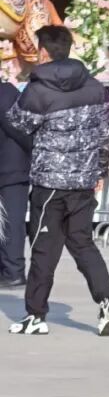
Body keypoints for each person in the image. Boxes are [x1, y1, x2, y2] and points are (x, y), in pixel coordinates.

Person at [5, 25, 109, 337]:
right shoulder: (95, 87)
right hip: (83, 181)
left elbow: (19, 121)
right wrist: (99, 171)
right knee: (82, 242)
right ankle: (107, 298)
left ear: (43, 52)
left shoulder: (39, 88)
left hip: (50, 183)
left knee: (44, 248)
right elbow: (105, 135)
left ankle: (35, 315)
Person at [0, 80, 30, 288]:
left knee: (11, 221)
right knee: (9, 222)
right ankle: (9, 270)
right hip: (11, 166)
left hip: (11, 168)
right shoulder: (7, 93)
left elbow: (20, 130)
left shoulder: (5, 94)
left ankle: (14, 271)